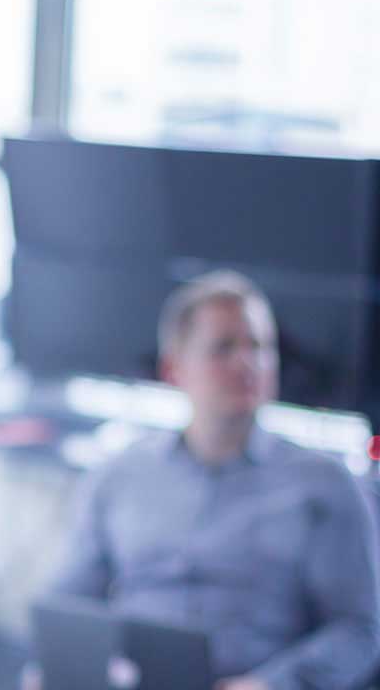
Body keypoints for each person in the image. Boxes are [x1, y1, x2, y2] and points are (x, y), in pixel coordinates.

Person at [26, 271, 380, 690]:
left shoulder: (324, 485)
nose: (247, 362)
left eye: (260, 346)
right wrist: (55, 665)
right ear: (173, 370)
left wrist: (272, 684)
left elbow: (361, 631)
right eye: (223, 347)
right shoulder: (119, 476)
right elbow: (66, 604)